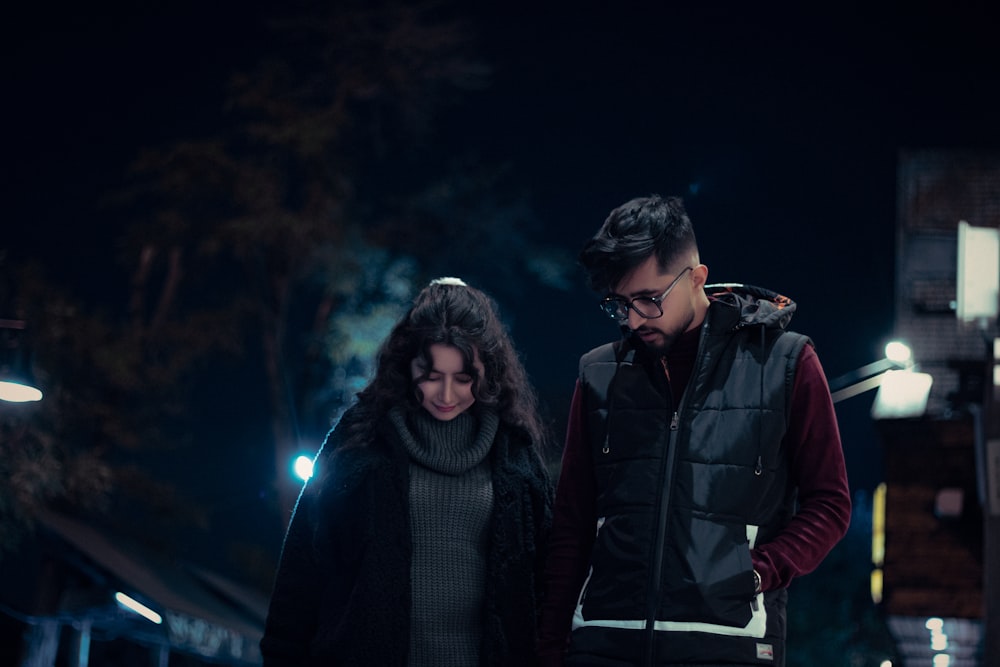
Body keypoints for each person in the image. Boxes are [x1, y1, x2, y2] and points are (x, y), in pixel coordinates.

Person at [537, 195, 851, 667]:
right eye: (620, 305)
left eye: (650, 299)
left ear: (697, 277)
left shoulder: (786, 363)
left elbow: (830, 504)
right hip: (603, 645)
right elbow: (572, 524)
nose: (635, 319)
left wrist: (758, 572)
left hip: (729, 646)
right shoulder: (600, 373)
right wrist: (548, 645)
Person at [260, 277, 554, 666]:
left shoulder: (516, 454)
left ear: (489, 371)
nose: (446, 395)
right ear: (406, 364)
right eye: (431, 376)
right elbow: (301, 575)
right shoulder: (359, 440)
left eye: (463, 378)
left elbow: (545, 583)